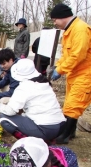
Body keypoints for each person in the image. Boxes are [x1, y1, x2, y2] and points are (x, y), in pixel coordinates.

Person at [49, 3, 91, 144]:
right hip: (74, 74)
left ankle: (64, 136)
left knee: (73, 106)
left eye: (55, 20)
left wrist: (60, 70)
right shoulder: (69, 30)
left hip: (85, 74)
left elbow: (77, 55)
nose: (55, 23)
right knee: (70, 104)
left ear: (62, 17)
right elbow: (66, 55)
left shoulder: (80, 29)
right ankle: (71, 132)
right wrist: (58, 67)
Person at [0, 59, 66, 142]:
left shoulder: (24, 87)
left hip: (46, 128)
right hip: (60, 126)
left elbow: (10, 111)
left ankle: (31, 143)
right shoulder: (43, 82)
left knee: (4, 118)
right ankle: (47, 140)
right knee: (23, 115)